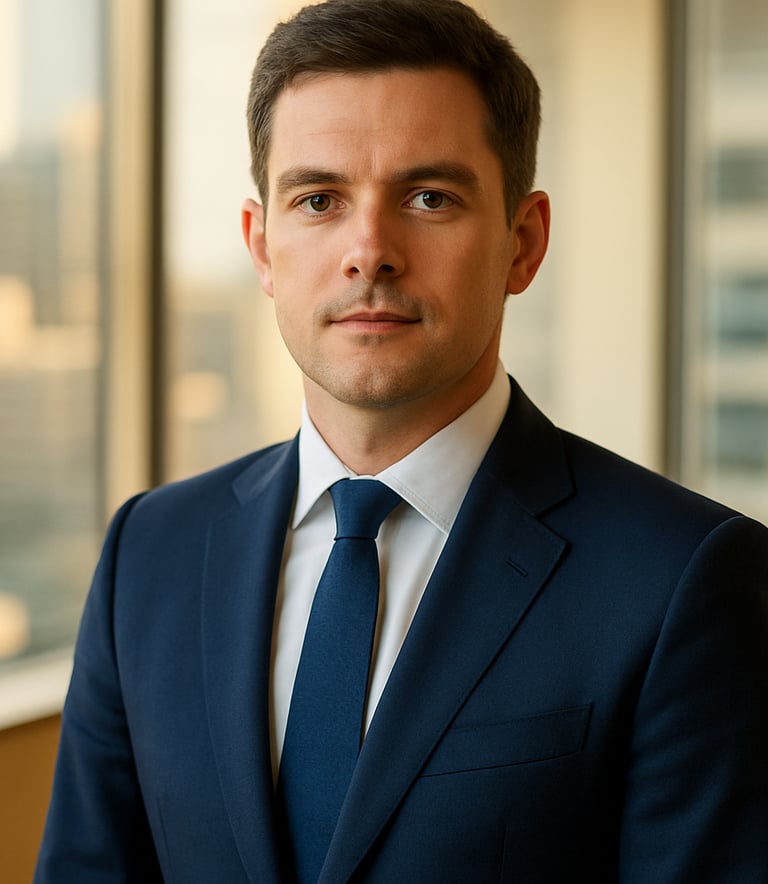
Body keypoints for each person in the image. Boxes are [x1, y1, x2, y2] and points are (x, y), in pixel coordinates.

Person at [36, 0, 768, 881]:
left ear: (522, 243)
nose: (370, 250)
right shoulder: (147, 554)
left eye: (429, 197)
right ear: (261, 247)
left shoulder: (686, 578)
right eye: (318, 199)